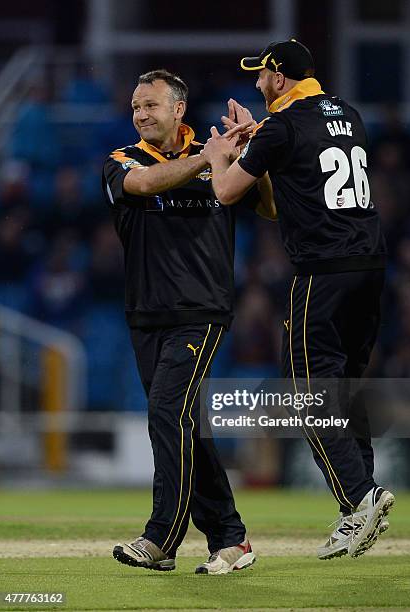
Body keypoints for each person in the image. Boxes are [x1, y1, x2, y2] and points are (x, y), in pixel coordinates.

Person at [202, 39, 395, 560]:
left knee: (310, 396)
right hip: (370, 267)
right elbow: (281, 202)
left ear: (280, 77)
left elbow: (224, 192)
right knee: (346, 391)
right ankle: (356, 511)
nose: (258, 84)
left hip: (323, 273)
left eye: (262, 75)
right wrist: (257, 150)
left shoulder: (280, 126)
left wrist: (226, 154)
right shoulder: (347, 114)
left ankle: (360, 498)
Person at [102, 69, 273, 575]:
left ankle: (161, 539)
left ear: (179, 110)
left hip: (200, 313)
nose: (140, 114)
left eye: (151, 105)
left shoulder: (220, 156)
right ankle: (230, 538)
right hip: (145, 314)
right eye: (136, 105)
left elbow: (269, 207)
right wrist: (211, 156)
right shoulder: (122, 160)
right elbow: (147, 183)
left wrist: (254, 155)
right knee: (185, 426)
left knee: (166, 412)